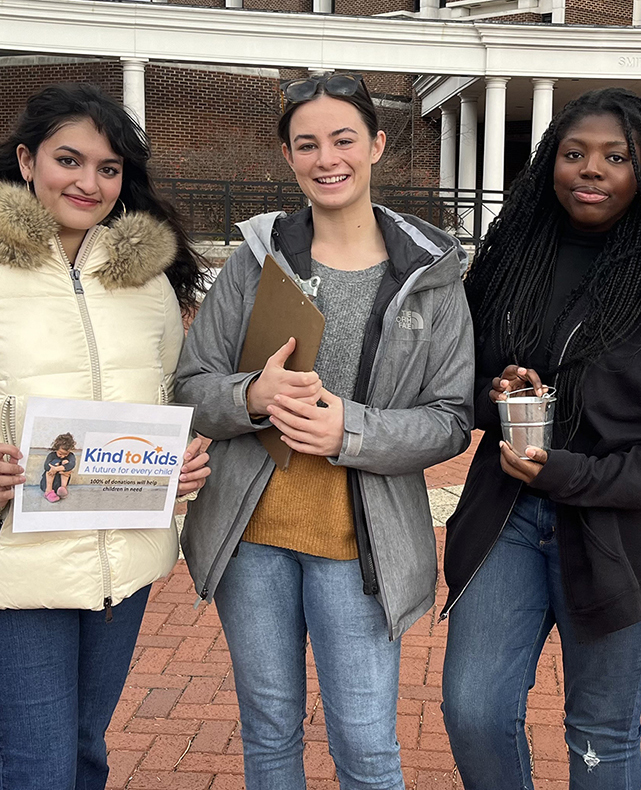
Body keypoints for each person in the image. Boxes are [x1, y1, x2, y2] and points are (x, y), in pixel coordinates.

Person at [0, 83, 211, 790]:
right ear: (27, 162)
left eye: (109, 168)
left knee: (85, 753)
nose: (89, 182)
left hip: (125, 568)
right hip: (12, 568)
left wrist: (177, 466)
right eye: (69, 160)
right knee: (38, 768)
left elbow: (166, 404)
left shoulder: (147, 289)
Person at [439, 87, 641, 790]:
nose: (591, 169)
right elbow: (457, 375)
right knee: (474, 710)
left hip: (625, 536)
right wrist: (496, 390)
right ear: (550, 162)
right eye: (574, 153)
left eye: (615, 156)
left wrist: (574, 475)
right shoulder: (510, 264)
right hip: (509, 519)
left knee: (599, 734)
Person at [175, 72, 474, 790]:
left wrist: (353, 431)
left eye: (343, 139)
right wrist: (253, 396)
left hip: (358, 548)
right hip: (251, 542)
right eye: (306, 144)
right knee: (270, 734)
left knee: (367, 751)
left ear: (375, 144)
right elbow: (188, 390)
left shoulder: (430, 277)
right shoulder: (256, 261)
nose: (326, 158)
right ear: (288, 157)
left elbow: (452, 419)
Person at [42, 432, 78, 502]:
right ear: (56, 448)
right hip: (48, 483)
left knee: (66, 463)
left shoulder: (70, 456)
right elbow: (46, 467)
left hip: (60, 484)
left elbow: (72, 464)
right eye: (60, 453)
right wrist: (54, 468)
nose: (63, 456)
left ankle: (63, 488)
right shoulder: (51, 455)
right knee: (54, 462)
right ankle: (48, 492)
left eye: (66, 454)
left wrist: (57, 469)